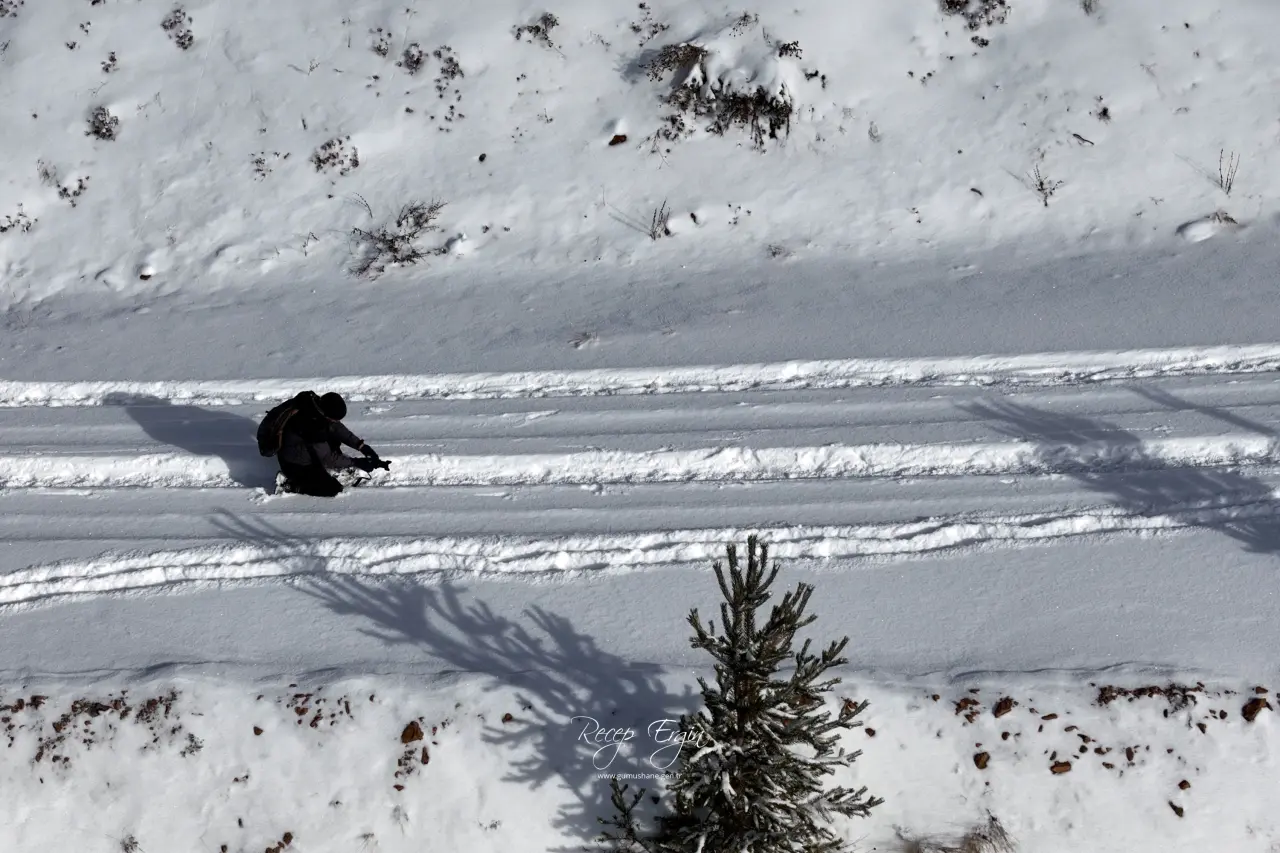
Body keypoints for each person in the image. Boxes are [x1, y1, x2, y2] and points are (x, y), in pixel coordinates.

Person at [274, 391, 388, 496]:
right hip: (293, 464)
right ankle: (289, 485)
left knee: (333, 438)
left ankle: (333, 468)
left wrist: (362, 446)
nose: (336, 422)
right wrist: (356, 462)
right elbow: (328, 457)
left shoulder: (316, 408)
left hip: (300, 447)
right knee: (333, 489)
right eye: (334, 419)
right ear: (327, 416)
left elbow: (337, 428)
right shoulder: (312, 428)